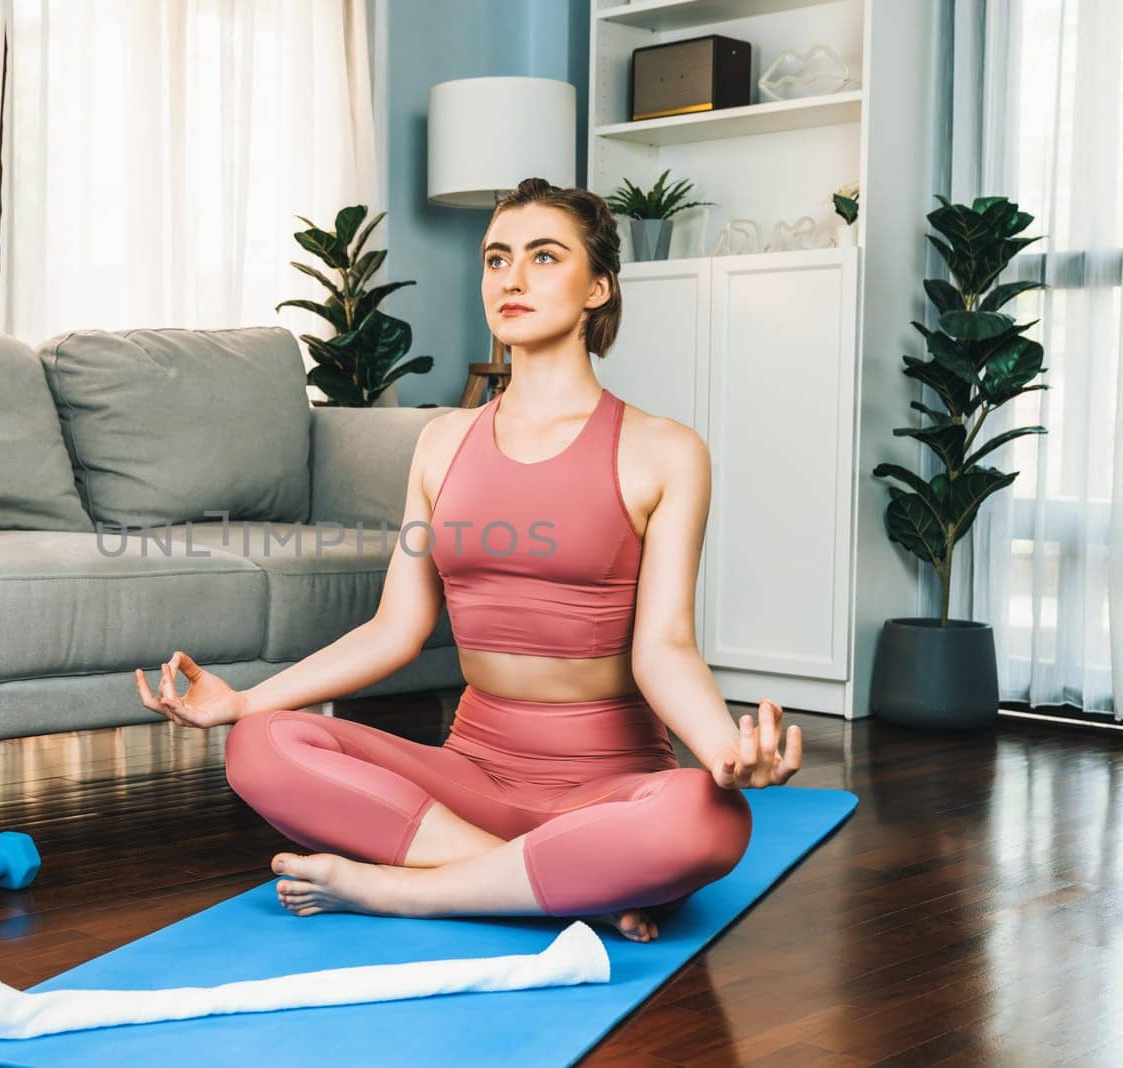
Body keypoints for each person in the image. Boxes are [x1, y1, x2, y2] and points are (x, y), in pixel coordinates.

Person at [134, 177, 802, 942]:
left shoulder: (665, 451)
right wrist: (245, 702)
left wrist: (723, 752)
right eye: (496, 259)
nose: (511, 279)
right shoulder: (441, 443)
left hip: (609, 787)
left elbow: (664, 647)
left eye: (544, 257)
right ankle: (547, 882)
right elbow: (394, 629)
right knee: (260, 747)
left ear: (600, 286)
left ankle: (406, 890)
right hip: (472, 778)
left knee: (707, 820)